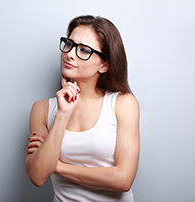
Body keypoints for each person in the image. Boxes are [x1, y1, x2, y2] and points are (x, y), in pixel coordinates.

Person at [25, 15, 140, 202]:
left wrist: (58, 166)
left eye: (84, 50)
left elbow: (124, 179)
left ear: (104, 65)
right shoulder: (42, 109)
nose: (69, 54)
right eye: (69, 44)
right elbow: (37, 176)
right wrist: (63, 114)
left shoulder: (123, 103)